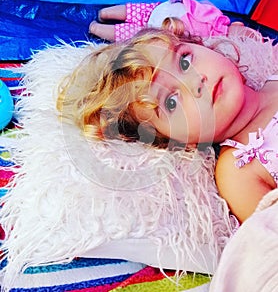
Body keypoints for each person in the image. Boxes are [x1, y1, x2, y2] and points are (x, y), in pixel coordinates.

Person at [57, 25, 278, 226]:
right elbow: (268, 240)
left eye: (185, 61)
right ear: (173, 140)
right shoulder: (238, 172)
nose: (196, 83)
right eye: (171, 102)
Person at [88, 0, 246, 42]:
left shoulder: (217, 16)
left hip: (166, 12)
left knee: (135, 10)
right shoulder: (212, 43)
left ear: (237, 24)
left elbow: (202, 2)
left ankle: (104, 14)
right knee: (128, 34)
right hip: (160, 31)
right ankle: (95, 28)